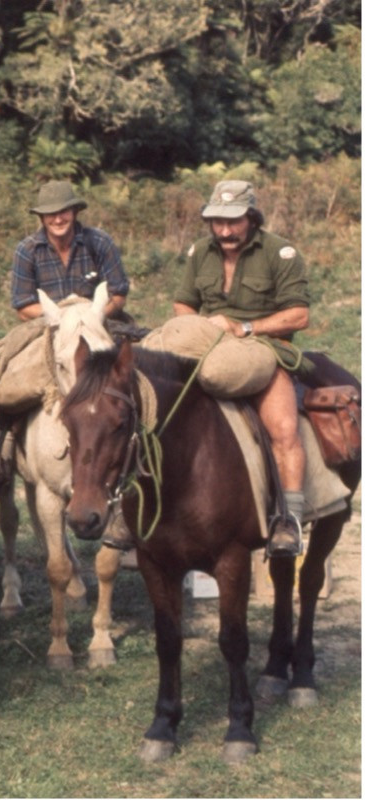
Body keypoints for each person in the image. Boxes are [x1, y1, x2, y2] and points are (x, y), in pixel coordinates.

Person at [173, 179, 309, 557]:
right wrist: (197, 329)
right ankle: (138, 509)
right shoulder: (200, 252)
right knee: (157, 410)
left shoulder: (280, 252)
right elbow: (183, 303)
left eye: (233, 221)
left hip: (265, 349)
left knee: (284, 429)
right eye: (217, 221)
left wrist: (245, 327)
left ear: (251, 217)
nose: (225, 231)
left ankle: (289, 520)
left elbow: (299, 315)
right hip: (210, 348)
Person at [11, 180, 130, 322]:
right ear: (42, 217)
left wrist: (93, 317)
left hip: (99, 320)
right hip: (50, 323)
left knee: (138, 335)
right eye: (51, 213)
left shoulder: (100, 242)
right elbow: (23, 307)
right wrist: (63, 318)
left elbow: (118, 296)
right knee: (16, 337)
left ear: (74, 212)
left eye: (63, 211)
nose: (58, 220)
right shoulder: (27, 251)